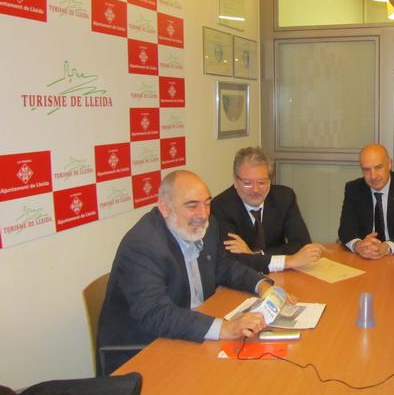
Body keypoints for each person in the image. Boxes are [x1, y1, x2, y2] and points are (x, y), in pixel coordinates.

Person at [98, 170, 274, 374]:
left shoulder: (208, 226)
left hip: (188, 333)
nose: (203, 214)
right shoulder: (142, 245)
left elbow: (224, 266)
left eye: (207, 204)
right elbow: (156, 314)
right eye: (192, 205)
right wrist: (226, 328)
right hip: (145, 351)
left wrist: (262, 285)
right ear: (165, 208)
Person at [212, 147, 323, 273]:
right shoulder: (221, 206)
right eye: (248, 183)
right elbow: (232, 258)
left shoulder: (284, 198)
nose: (255, 190)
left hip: (282, 274)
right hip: (243, 277)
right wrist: (288, 260)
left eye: (262, 182)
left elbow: (302, 245)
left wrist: (256, 254)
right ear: (235, 182)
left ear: (270, 181)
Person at [338, 144, 394, 259]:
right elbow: (345, 230)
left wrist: (387, 247)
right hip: (365, 258)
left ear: (389, 164)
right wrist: (359, 246)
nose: (373, 176)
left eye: (378, 167)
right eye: (366, 169)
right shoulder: (353, 189)